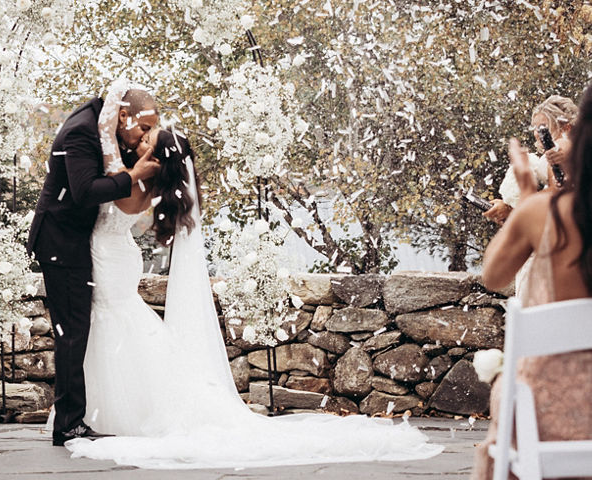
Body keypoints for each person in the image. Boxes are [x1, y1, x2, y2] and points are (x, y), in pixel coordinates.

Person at [61, 83, 444, 468]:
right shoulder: (146, 178)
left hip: (109, 263)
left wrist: (110, 116)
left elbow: (110, 176)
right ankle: (97, 413)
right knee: (114, 331)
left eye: (148, 140)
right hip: (113, 260)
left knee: (113, 330)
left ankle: (107, 413)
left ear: (157, 160)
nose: (139, 143)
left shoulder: (137, 181)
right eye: (143, 133)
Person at [26, 81, 161, 446]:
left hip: (77, 241)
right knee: (72, 332)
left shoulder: (102, 126)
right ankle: (68, 424)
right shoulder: (81, 131)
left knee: (78, 330)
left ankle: (76, 418)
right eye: (143, 128)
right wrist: (133, 177)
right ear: (123, 115)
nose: (143, 137)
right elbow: (85, 192)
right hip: (60, 241)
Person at [473, 86, 592, 478]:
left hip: (553, 412)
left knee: (508, 397)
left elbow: (493, 276)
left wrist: (528, 197)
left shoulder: (545, 213)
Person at [484, 95, 577, 224]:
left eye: (543, 127)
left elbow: (557, 192)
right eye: (535, 127)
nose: (537, 133)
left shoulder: (561, 146)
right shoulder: (576, 151)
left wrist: (512, 210)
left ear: (566, 127)